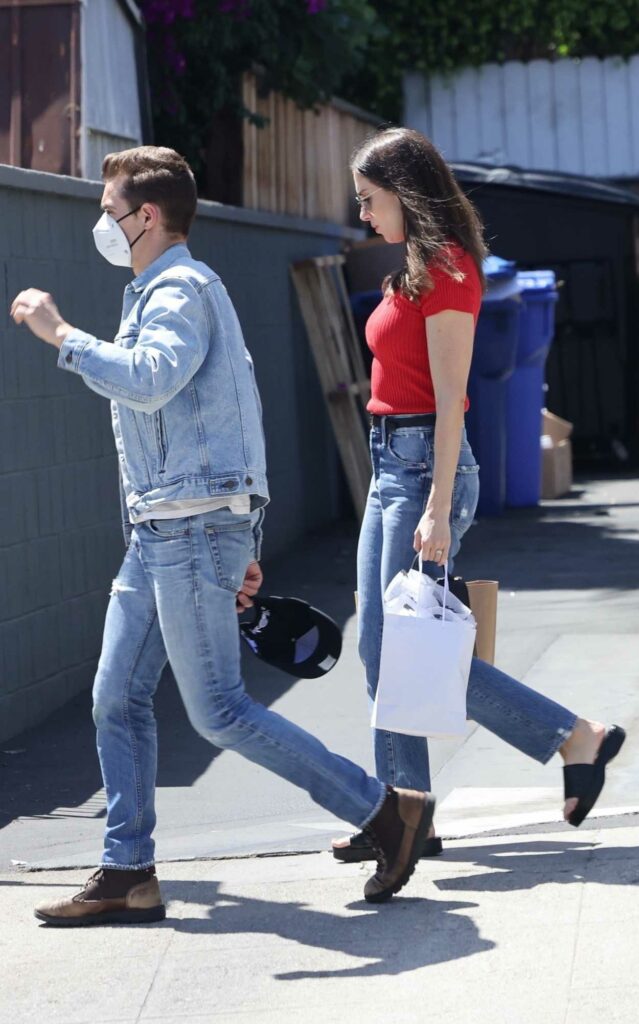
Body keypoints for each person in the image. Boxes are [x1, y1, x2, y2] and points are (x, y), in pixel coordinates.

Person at [10, 145, 434, 925]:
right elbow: (238, 412)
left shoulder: (179, 290)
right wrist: (246, 535)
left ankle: (383, 812)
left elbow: (150, 379)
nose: (101, 224)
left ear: (146, 216)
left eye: (108, 212)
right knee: (116, 699)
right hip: (165, 530)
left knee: (219, 711)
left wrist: (60, 333)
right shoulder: (158, 291)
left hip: (189, 529)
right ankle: (128, 870)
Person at [331, 127, 625, 865]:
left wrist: (434, 503)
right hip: (389, 461)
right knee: (386, 645)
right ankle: (410, 814)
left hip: (423, 465)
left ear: (404, 190)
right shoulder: (414, 267)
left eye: (369, 199)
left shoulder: (449, 272)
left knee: (396, 646)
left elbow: (453, 399)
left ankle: (568, 738)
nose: (362, 213)